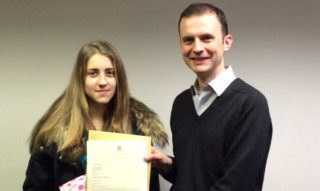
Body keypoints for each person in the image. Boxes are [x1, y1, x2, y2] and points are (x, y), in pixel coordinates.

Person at [145, 3, 272, 191]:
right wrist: (168, 165)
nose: (197, 48)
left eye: (206, 38)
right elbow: (193, 176)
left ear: (226, 42)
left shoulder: (251, 105)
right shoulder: (181, 103)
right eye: (188, 40)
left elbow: (237, 186)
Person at [23, 40, 168, 191]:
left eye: (110, 73)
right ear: (80, 79)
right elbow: (34, 187)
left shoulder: (137, 126)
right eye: (93, 73)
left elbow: (150, 185)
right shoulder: (54, 131)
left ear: (119, 79)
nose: (102, 81)